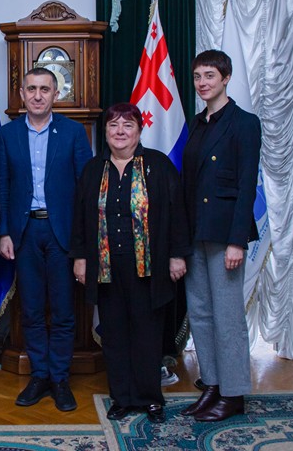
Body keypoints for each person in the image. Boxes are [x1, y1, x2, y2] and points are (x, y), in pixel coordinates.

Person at [70, 103, 190, 423]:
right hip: (106, 267)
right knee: (115, 333)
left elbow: (177, 212)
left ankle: (150, 398)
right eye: (113, 125)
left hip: (148, 267)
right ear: (105, 131)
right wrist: (80, 258)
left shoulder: (158, 165)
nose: (120, 131)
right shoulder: (93, 169)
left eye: (127, 125)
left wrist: (177, 255)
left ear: (139, 130)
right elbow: (80, 217)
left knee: (147, 334)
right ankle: (122, 397)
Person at [0, 67, 92, 411]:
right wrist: (4, 232)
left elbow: (85, 190)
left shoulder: (73, 132)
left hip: (61, 232)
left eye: (45, 89)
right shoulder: (8, 134)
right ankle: (39, 375)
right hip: (24, 233)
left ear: (55, 94)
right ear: (22, 94)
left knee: (64, 310)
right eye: (31, 89)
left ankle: (60, 379)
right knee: (32, 310)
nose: (37, 95)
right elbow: (1, 186)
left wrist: (81, 242)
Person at [181, 50, 261, 422]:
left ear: (226, 78)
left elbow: (246, 186)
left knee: (227, 316)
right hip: (196, 230)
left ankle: (233, 393)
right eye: (198, 76)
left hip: (225, 232)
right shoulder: (197, 123)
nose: (202, 83)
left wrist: (236, 241)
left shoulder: (244, 123)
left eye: (210, 75)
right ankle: (212, 384)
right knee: (200, 313)